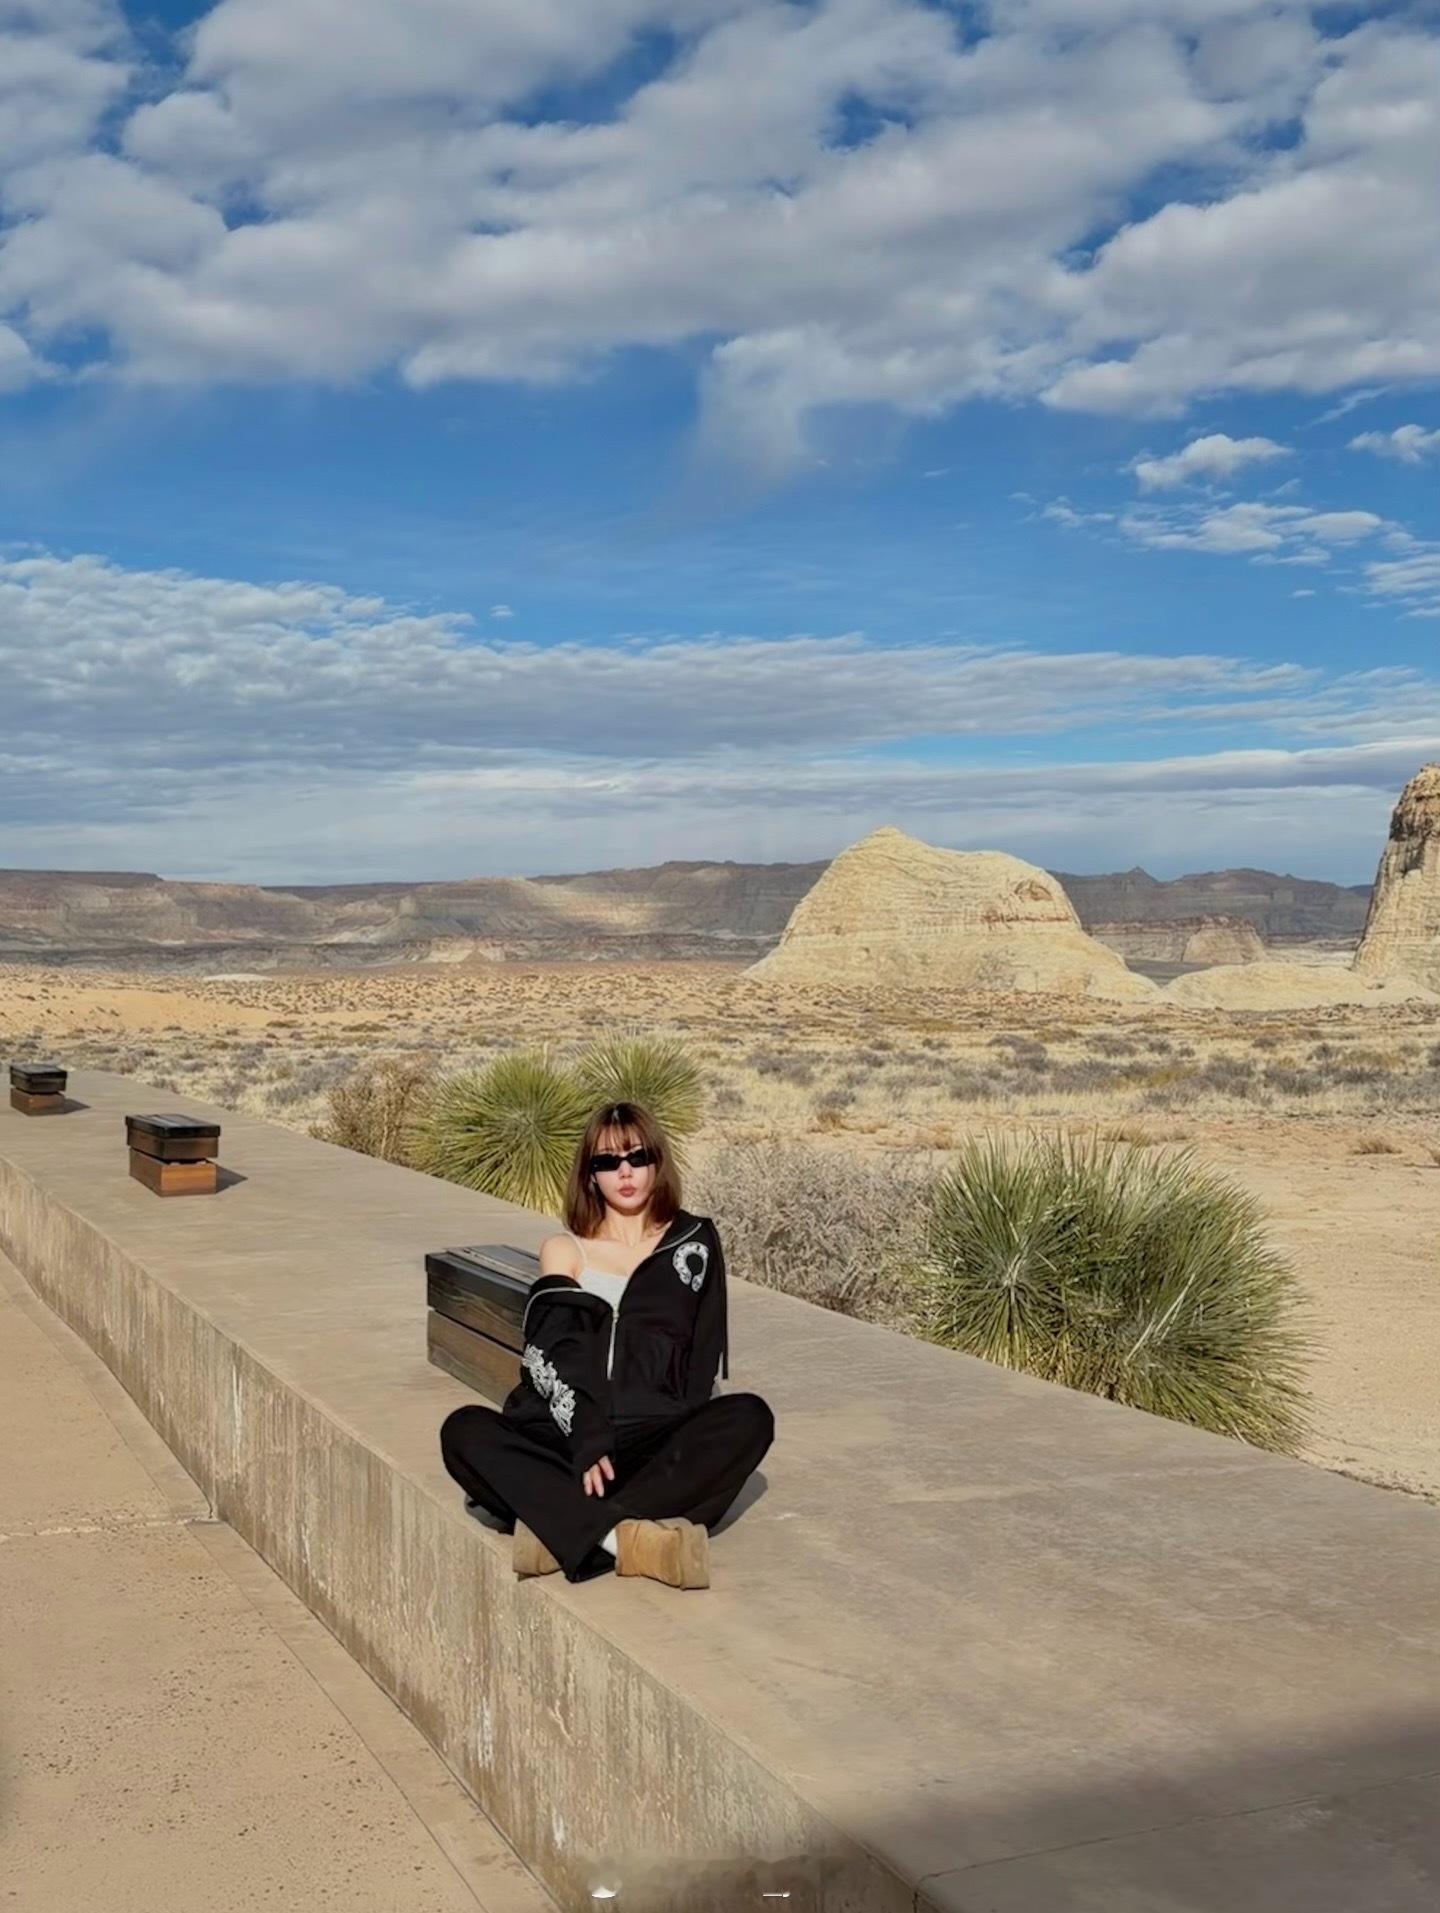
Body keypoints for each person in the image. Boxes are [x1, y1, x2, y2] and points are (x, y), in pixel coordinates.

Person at [438, 1100, 774, 1587]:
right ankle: (628, 1542)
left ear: (657, 1162)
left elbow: (701, 1355)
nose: (625, 1172)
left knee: (750, 1417)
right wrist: (586, 1434)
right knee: (464, 1430)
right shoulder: (566, 1249)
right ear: (590, 1175)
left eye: (638, 1156)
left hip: (653, 1433)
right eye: (608, 1161)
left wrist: (683, 1422)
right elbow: (557, 1342)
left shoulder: (693, 1243)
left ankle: (563, 1528)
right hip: (569, 1431)